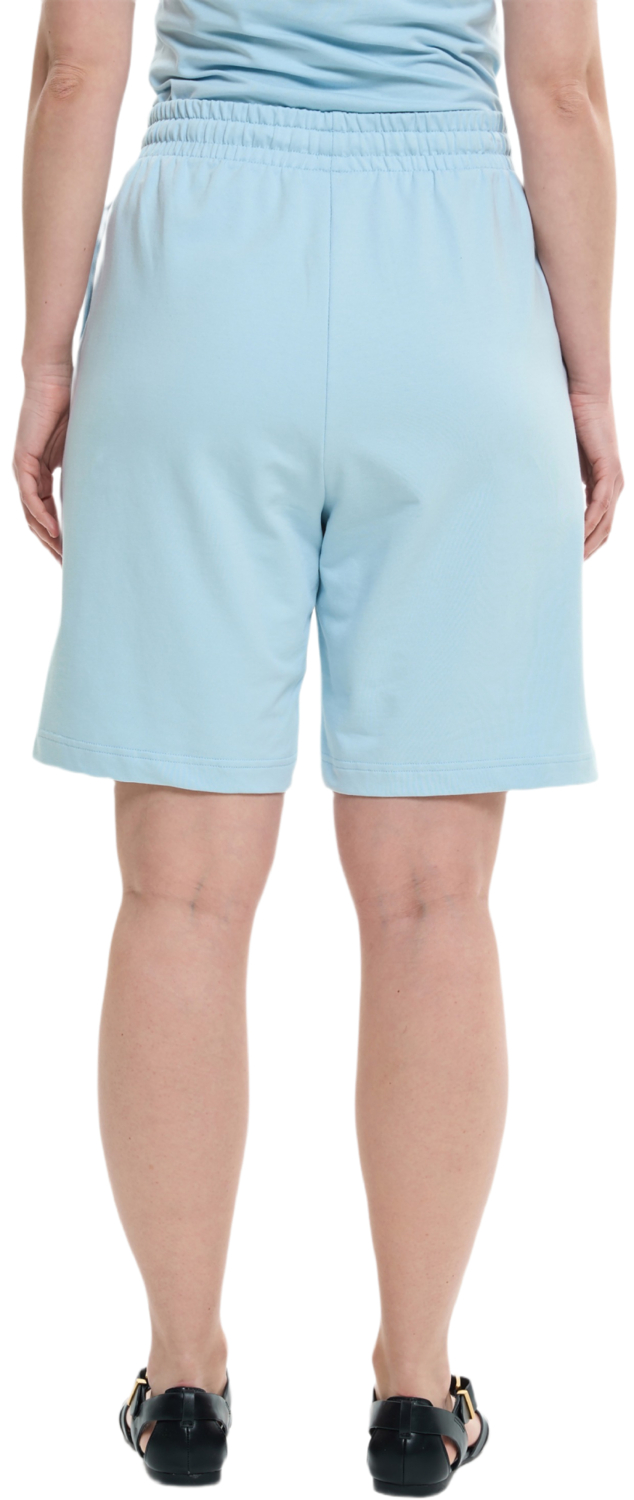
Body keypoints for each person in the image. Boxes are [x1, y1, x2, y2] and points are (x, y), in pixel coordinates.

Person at [13, 0, 623, 1491]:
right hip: (454, 284)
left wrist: (45, 358)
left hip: (202, 280)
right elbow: (560, 91)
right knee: (431, 900)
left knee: (179, 893)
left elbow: (78, 67)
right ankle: (415, 1390)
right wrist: (588, 378)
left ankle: (180, 1381)